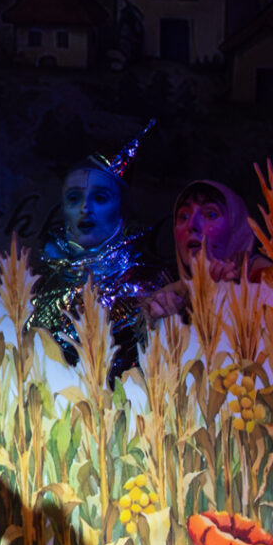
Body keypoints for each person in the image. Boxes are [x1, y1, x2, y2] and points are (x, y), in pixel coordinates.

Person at [28, 124, 171, 372]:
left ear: (121, 208)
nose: (85, 208)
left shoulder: (150, 285)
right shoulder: (39, 281)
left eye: (100, 198)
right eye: (74, 198)